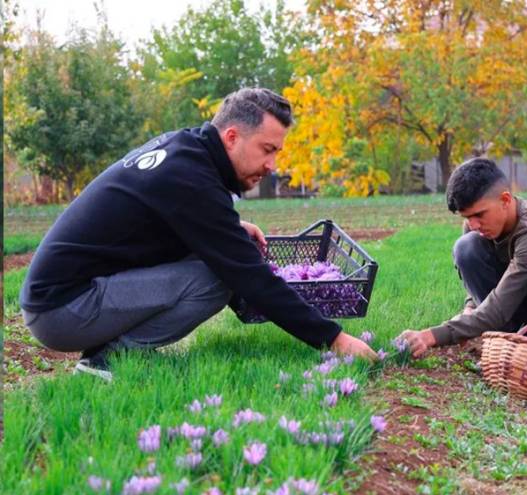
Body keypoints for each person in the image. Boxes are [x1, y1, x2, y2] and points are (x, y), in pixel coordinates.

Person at [19, 88, 376, 382]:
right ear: (232, 137)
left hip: (67, 295)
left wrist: (230, 228)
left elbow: (163, 218)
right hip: (62, 310)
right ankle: (107, 361)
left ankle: (111, 353)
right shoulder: (191, 179)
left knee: (214, 260)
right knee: (217, 281)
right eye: (267, 150)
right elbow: (250, 277)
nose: (272, 167)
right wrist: (334, 338)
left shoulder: (186, 152)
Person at [398, 158, 527, 394]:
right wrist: (470, 307)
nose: (474, 224)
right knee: (466, 247)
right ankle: (513, 352)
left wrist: (431, 336)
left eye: (479, 214)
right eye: (466, 217)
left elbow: (498, 307)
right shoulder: (477, 227)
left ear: (506, 200)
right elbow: (491, 292)